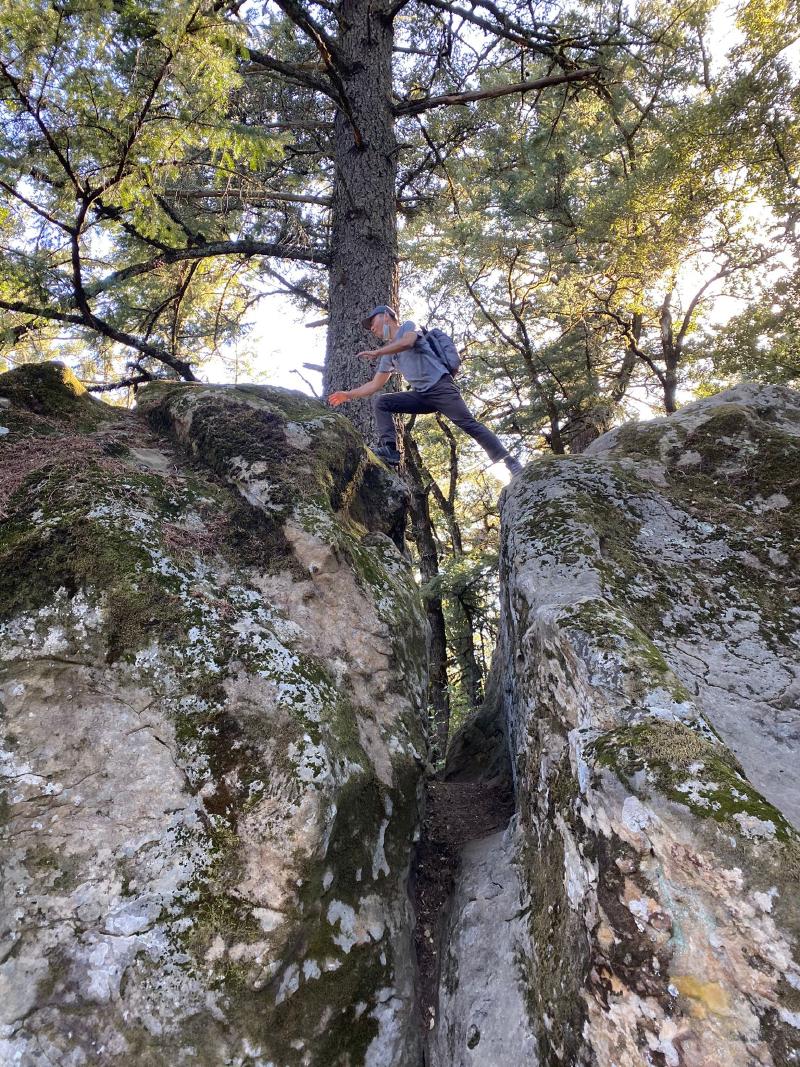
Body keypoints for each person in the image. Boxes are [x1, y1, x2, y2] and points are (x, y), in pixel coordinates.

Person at [328, 305, 523, 477]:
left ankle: (510, 462)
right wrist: (348, 394)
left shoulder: (407, 327)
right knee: (382, 402)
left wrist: (378, 352)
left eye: (373, 321)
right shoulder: (388, 354)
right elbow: (374, 384)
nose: (372, 328)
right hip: (422, 396)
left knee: (468, 424)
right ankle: (390, 450)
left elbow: (408, 343)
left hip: (441, 387)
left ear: (386, 315)